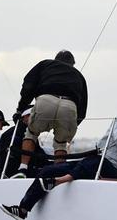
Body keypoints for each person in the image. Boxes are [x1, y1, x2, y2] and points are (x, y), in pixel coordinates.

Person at [0, 98, 117, 220]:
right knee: (47, 171)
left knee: (94, 163)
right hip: (97, 162)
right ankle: (22, 210)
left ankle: (59, 182)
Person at [12, 49, 88, 178]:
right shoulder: (78, 75)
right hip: (70, 106)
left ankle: (22, 169)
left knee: (31, 134)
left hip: (46, 99)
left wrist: (21, 109)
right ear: (72, 64)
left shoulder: (45, 64)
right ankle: (58, 173)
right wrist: (73, 124)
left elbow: (28, 85)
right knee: (61, 142)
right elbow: (83, 105)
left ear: (55, 59)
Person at [0, 106, 48, 178]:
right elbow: (38, 157)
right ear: (25, 117)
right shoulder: (24, 134)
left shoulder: (13, 132)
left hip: (8, 174)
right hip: (19, 174)